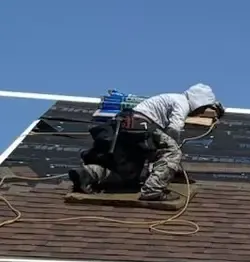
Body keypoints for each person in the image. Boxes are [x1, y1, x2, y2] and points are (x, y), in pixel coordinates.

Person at [70, 84, 223, 201]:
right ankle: (153, 190)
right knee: (172, 151)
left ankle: (88, 173)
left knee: (128, 174)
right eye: (202, 108)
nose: (200, 112)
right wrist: (173, 148)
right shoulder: (182, 103)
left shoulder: (174, 98)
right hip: (142, 126)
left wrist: (216, 108)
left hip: (127, 126)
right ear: (198, 102)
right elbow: (174, 128)